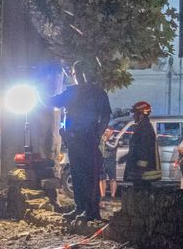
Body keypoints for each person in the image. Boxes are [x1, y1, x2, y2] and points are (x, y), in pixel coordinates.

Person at [46, 61, 113, 222]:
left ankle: (90, 211)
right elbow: (105, 117)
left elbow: (52, 102)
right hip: (79, 140)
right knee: (79, 175)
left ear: (77, 74)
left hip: (85, 139)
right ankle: (82, 208)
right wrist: (97, 134)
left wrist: (36, 92)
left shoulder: (82, 92)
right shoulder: (97, 93)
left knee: (87, 176)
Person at [122, 101, 161, 186]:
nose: (133, 116)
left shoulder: (145, 128)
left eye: (135, 113)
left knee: (142, 192)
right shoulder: (142, 126)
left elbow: (145, 148)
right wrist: (125, 157)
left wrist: (141, 167)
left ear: (141, 114)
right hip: (140, 170)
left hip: (143, 172)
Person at [100, 127, 119, 200]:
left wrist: (106, 142)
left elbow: (112, 147)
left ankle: (113, 196)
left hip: (111, 161)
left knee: (113, 179)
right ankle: (103, 196)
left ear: (111, 132)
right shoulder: (102, 139)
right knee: (102, 179)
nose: (105, 133)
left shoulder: (115, 139)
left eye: (107, 131)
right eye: (104, 131)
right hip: (103, 161)